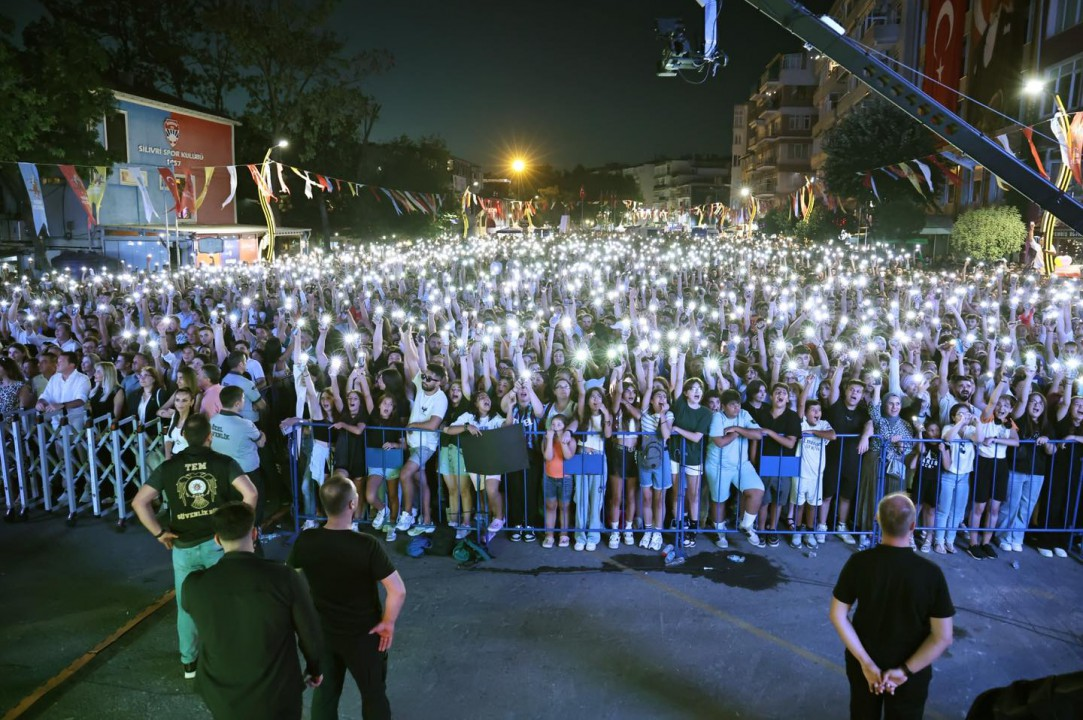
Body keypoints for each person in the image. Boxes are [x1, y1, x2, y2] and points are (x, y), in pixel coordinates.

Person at [130, 414, 258, 678]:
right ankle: (228, 654)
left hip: (182, 544)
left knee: (186, 604)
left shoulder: (169, 467)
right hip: (217, 542)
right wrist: (241, 526)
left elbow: (139, 502)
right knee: (225, 600)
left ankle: (189, 661)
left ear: (184, 437)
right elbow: (251, 493)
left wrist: (159, 533)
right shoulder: (224, 462)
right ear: (209, 436)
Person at [182, 502, 324, 720]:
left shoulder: (194, 585)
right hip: (277, 694)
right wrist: (315, 668)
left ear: (217, 539)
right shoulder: (284, 578)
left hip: (222, 696)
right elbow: (310, 634)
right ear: (255, 533)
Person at [288, 475, 406, 720]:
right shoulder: (367, 545)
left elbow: (291, 583)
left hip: (323, 631)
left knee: (326, 694)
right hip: (366, 634)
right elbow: (397, 590)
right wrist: (388, 622)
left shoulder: (306, 540)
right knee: (373, 694)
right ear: (353, 504)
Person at [830, 493, 955, 720]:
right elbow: (943, 637)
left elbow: (838, 615)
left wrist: (866, 664)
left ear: (878, 521)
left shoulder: (859, 563)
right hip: (912, 669)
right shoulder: (931, 574)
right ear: (913, 526)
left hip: (864, 664)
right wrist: (904, 671)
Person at [211, 385, 267, 523]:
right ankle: (253, 534)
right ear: (237, 403)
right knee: (251, 507)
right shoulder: (245, 424)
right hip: (247, 473)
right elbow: (261, 443)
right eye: (243, 399)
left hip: (223, 472)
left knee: (229, 509)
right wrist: (263, 434)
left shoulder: (212, 421)